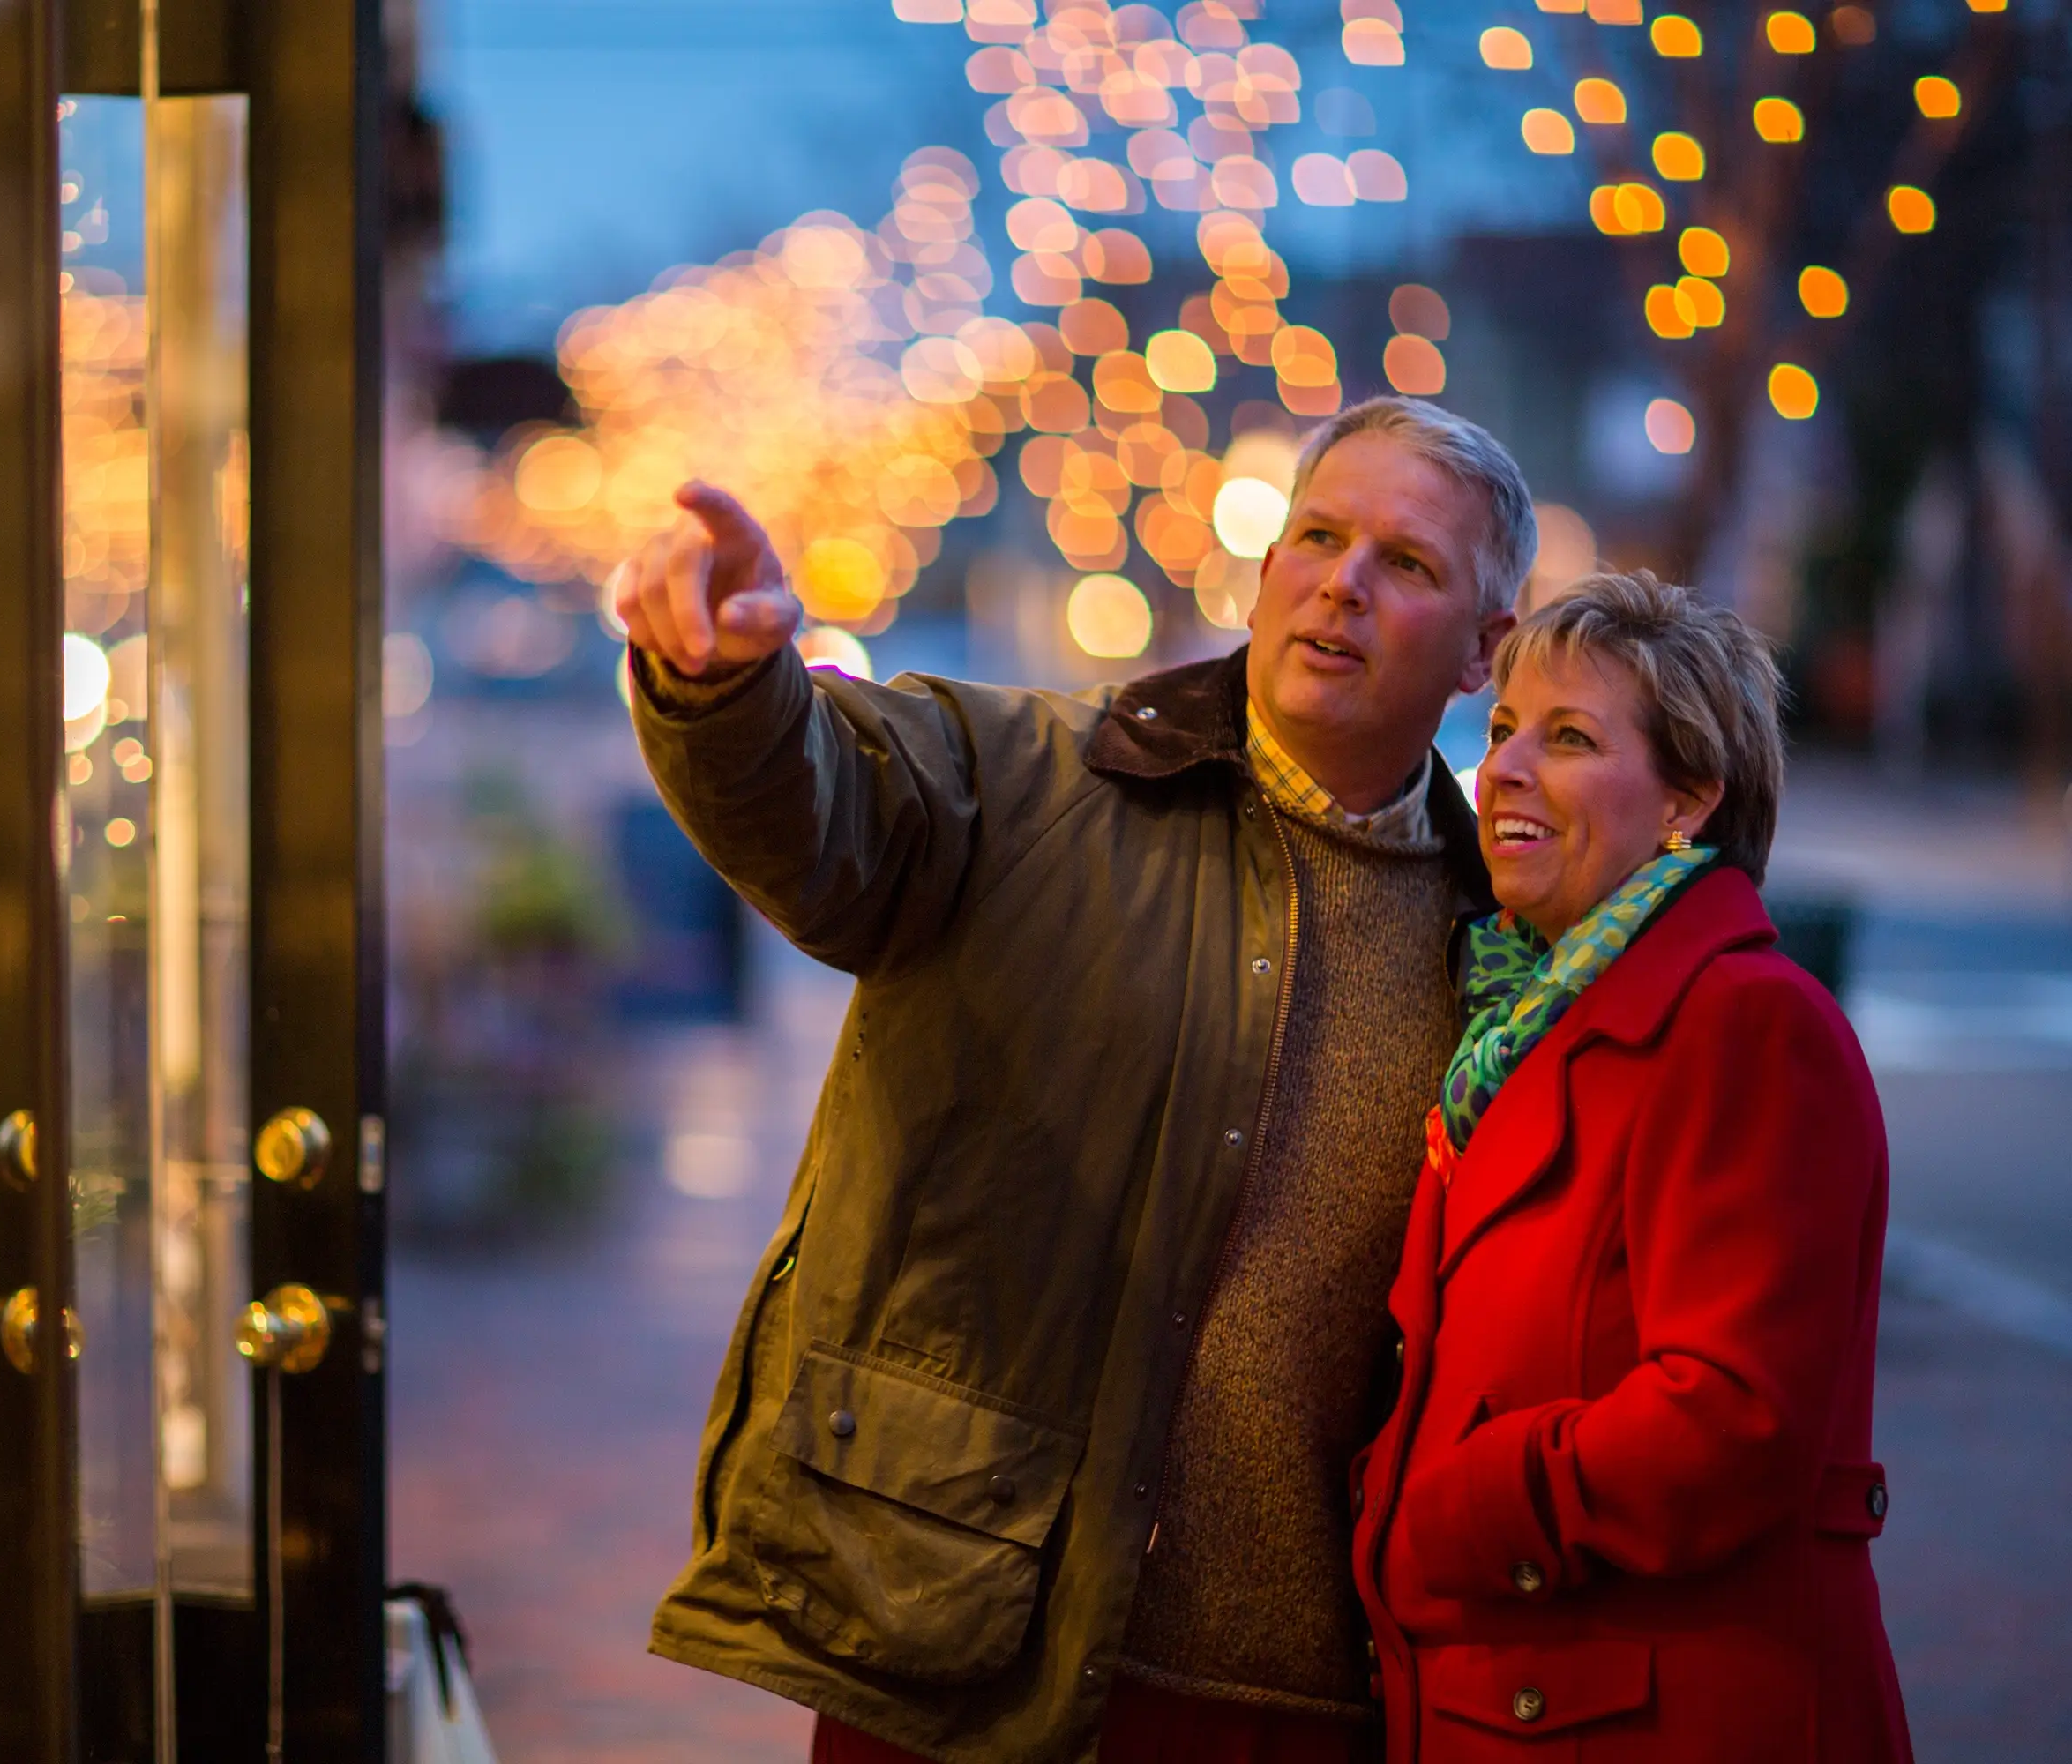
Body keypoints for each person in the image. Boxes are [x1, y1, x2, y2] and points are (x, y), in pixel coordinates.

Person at [613, 398, 1530, 1763]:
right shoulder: (1028, 779)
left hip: (1303, 1706)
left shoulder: (1499, 949)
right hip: (962, 1661)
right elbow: (818, 804)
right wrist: (727, 692)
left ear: (1484, 651)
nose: (1342, 582)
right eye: (1317, 537)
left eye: (1405, 563)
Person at [1351, 572, 1911, 1762]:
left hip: (1665, 1718)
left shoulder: (1743, 1023)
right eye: (1505, 728)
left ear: (1689, 800)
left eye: (1568, 739)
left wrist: (1460, 1508)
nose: (1503, 769)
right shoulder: (1516, 1027)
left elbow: (1732, 1419)